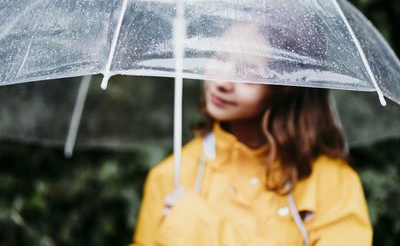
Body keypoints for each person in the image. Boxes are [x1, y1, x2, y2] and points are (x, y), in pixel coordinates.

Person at [130, 24, 373, 246]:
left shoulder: (331, 181)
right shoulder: (171, 176)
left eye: (248, 72)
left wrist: (205, 229)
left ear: (285, 87)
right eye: (220, 57)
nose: (223, 81)